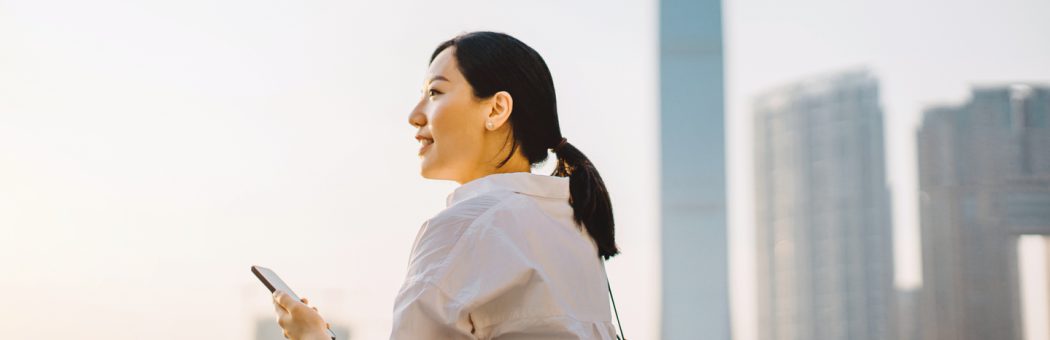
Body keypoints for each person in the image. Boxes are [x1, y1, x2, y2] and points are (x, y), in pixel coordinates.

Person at [272, 31, 621, 340]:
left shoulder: (468, 226)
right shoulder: (573, 227)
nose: (414, 114)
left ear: (496, 109)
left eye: (435, 92)